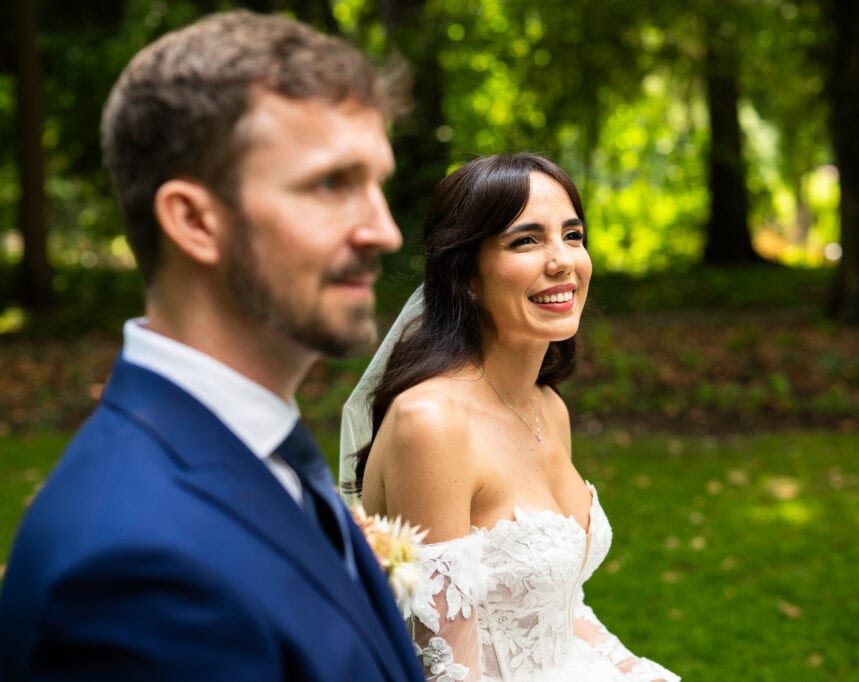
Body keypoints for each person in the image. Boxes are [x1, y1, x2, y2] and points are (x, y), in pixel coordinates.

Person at [0, 11, 424, 681]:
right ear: (196, 221)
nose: (385, 231)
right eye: (331, 184)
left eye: (378, 183)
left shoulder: (256, 449)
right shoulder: (132, 569)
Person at [340, 153, 680, 681]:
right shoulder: (430, 424)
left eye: (572, 235)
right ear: (466, 276)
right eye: (526, 241)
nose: (562, 260)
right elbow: (445, 667)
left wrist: (633, 669)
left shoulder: (548, 407)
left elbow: (555, 606)